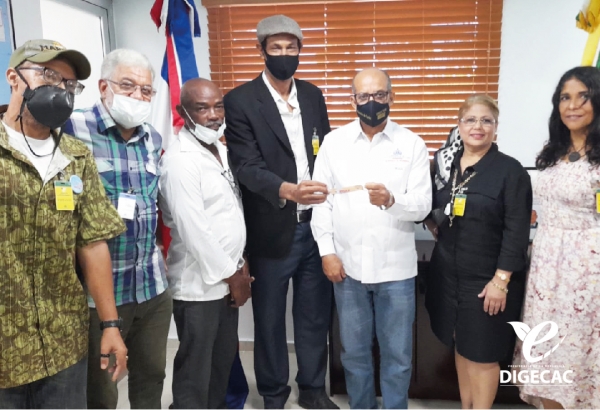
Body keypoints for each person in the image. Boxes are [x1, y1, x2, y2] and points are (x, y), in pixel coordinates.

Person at [0, 39, 127, 408]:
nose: (61, 90)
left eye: (70, 84)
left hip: (62, 341)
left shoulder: (76, 157)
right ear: (14, 78)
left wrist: (110, 325)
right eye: (49, 75)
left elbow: (93, 243)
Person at [223, 14, 338, 410]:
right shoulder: (240, 100)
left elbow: (326, 153)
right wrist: (288, 190)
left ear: (300, 51)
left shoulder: (313, 95)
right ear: (262, 51)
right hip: (271, 228)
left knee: (314, 316)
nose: (285, 54)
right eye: (276, 48)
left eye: (292, 47)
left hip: (316, 227)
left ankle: (313, 390)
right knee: (270, 320)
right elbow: (246, 166)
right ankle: (274, 394)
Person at [311, 68, 431, 409]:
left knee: (398, 355)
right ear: (353, 100)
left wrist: (392, 200)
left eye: (379, 94)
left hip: (396, 270)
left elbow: (422, 205)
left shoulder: (412, 144)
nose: (372, 102)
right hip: (347, 268)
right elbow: (321, 201)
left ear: (392, 96)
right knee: (354, 354)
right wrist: (326, 252)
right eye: (363, 96)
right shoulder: (334, 143)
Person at [64, 48, 171, 409]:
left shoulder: (152, 138)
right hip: (98, 293)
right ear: (103, 87)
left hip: (150, 285)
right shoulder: (71, 128)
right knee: (102, 390)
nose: (137, 96)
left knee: (151, 376)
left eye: (146, 90)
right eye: (128, 86)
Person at [423, 94, 532, 409]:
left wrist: (501, 281)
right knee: (461, 345)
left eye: (487, 120)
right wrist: (432, 223)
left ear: (496, 128)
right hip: (448, 275)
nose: (478, 127)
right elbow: (432, 204)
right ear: (459, 125)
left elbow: (516, 231)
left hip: (487, 280)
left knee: (482, 355)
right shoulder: (448, 166)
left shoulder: (511, 171)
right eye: (470, 120)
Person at [158, 78, 253, 409]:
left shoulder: (220, 150)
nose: (213, 115)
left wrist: (240, 262)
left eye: (218, 106)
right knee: (195, 372)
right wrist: (234, 276)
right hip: (198, 287)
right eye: (202, 108)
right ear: (182, 111)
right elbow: (194, 230)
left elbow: (229, 212)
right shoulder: (180, 160)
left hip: (227, 277)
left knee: (220, 364)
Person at [512, 66, 600, 409]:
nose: (572, 105)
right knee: (547, 355)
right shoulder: (552, 152)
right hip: (547, 269)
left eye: (583, 97)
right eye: (565, 97)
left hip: (587, 272)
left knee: (578, 357)